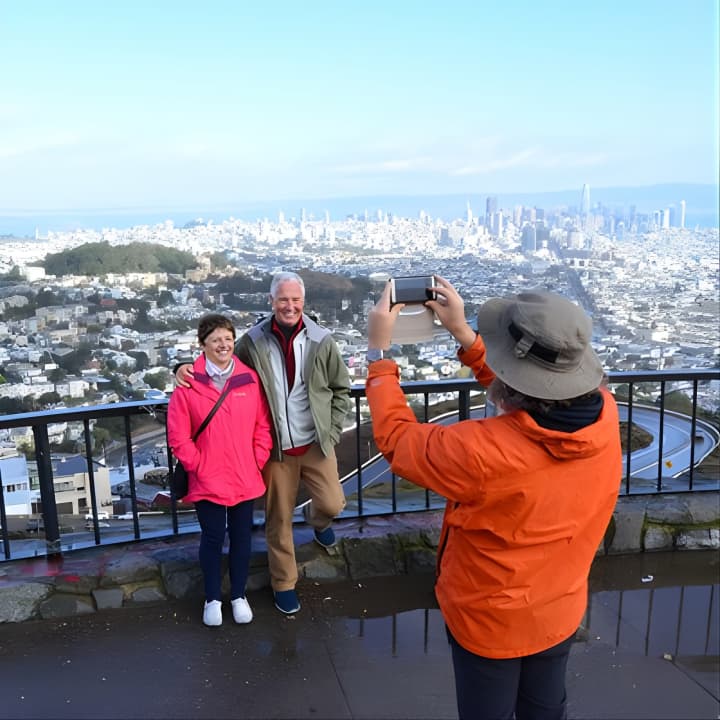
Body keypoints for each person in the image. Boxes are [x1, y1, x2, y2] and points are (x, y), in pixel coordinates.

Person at [365, 277, 622, 720]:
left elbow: (398, 441)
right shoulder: (604, 414)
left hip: (489, 618)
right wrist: (465, 336)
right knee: (545, 709)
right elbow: (536, 391)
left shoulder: (482, 451)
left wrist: (379, 355)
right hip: (559, 604)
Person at [176, 272, 351, 615]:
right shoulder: (252, 342)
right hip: (277, 448)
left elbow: (340, 388)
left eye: (295, 299)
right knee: (279, 519)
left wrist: (330, 432)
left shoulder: (321, 339)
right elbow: (223, 365)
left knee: (332, 503)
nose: (289, 306)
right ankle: (284, 584)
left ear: (304, 301)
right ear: (271, 302)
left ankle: (320, 523)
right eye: (283, 299)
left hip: (315, 441)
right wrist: (180, 368)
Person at [167, 313, 272, 627]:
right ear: (203, 345)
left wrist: (257, 458)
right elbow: (178, 435)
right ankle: (212, 598)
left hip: (244, 473)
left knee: (242, 538)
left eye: (228, 338)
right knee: (212, 537)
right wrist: (198, 464)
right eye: (216, 340)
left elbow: (262, 426)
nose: (223, 345)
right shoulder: (189, 383)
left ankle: (238, 595)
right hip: (207, 477)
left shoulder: (249, 379)